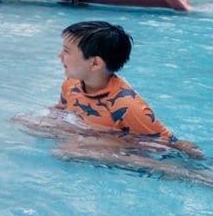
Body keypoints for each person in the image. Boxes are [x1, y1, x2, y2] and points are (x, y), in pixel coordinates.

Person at [17, 20, 209, 186]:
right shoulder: (72, 83)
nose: (60, 56)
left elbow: (168, 141)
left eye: (66, 51)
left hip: (129, 147)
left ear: (95, 64)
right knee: (25, 121)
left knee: (65, 152)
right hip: (93, 131)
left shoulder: (127, 106)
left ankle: (182, 174)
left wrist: (197, 159)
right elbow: (61, 110)